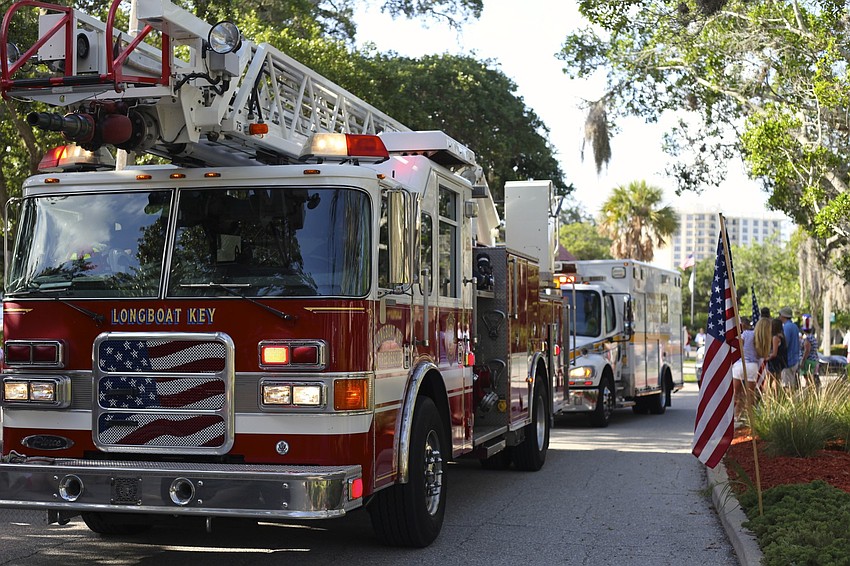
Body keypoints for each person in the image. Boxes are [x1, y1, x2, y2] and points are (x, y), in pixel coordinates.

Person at [731, 317, 760, 422]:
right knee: (750, 394)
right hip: (752, 365)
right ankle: (749, 417)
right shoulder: (755, 335)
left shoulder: (742, 335)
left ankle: (736, 415)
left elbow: (738, 347)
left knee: (736, 392)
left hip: (739, 365)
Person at [779, 307, 801, 388]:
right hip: (795, 359)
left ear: (783, 316)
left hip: (788, 361)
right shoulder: (794, 326)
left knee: (787, 386)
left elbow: (785, 343)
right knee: (792, 384)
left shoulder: (786, 327)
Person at [766, 317, 789, 387]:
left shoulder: (775, 338)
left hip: (774, 363)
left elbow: (774, 353)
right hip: (781, 362)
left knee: (769, 383)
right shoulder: (782, 336)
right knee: (778, 382)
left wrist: (766, 358)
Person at [801, 324, 820, 390]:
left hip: (808, 360)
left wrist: (803, 361)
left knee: (809, 379)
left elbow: (807, 350)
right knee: (811, 378)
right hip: (814, 360)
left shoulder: (807, 338)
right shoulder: (813, 338)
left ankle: (812, 392)